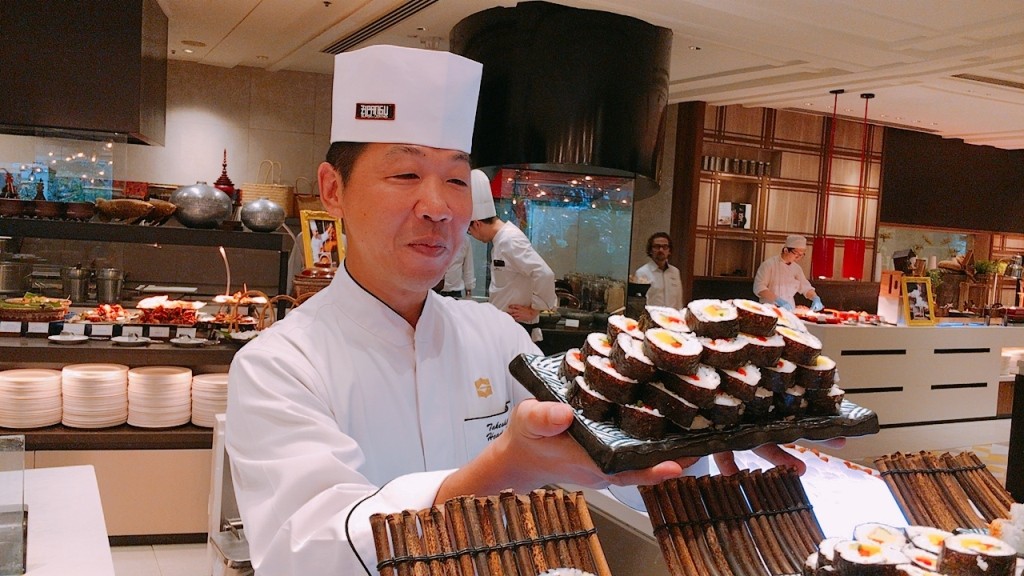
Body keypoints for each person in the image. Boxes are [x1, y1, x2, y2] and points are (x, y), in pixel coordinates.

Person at [227, 44, 807, 576]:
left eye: (456, 178)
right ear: (333, 189)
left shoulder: (495, 336)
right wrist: (502, 467)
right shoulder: (278, 364)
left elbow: (601, 459)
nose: (436, 206)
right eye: (405, 173)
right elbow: (303, 549)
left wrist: (696, 425)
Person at [467, 169, 558, 329]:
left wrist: (534, 310)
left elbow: (544, 273)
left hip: (516, 326)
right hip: (504, 324)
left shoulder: (510, 239)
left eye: (470, 232)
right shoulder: (500, 240)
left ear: (477, 224)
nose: (473, 236)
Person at [753, 234, 824, 311]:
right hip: (769, 308)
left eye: (801, 254)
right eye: (796, 254)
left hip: (790, 309)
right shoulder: (768, 265)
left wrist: (815, 298)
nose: (798, 257)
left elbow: (805, 288)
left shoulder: (796, 268)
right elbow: (759, 288)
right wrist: (778, 300)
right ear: (786, 250)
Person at [634, 232, 683, 309]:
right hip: (652, 318)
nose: (661, 250)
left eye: (665, 246)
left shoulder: (675, 272)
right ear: (650, 250)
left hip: (672, 318)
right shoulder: (642, 272)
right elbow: (639, 303)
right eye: (657, 246)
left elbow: (679, 301)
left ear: (669, 250)